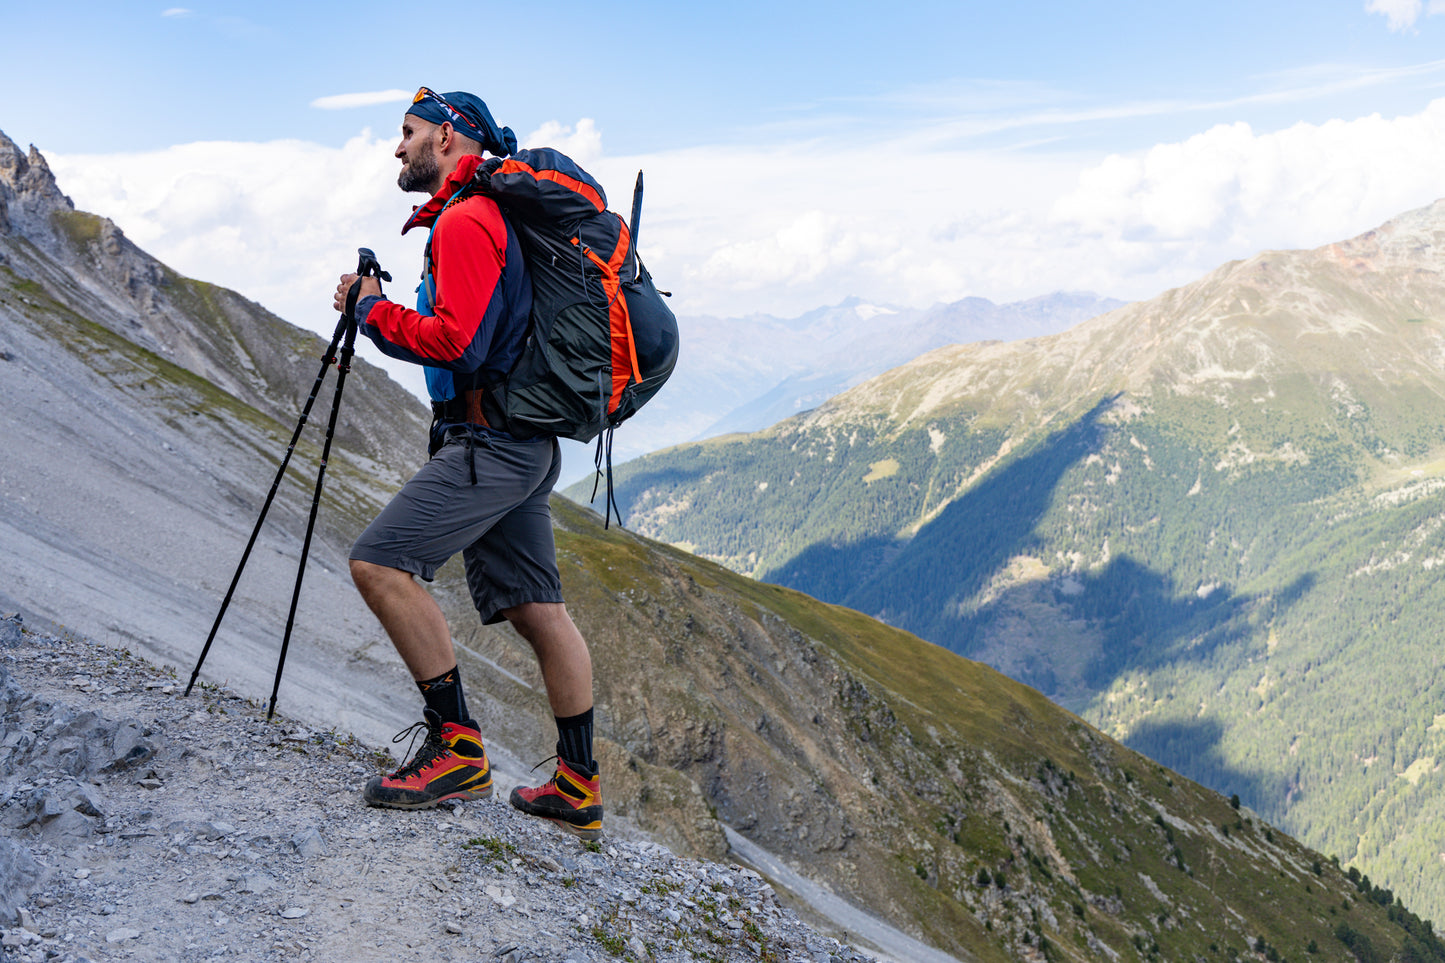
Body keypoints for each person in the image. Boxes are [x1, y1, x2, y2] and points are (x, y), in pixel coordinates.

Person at [331, 87, 601, 840]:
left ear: (449, 139)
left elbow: (459, 343)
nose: (397, 147)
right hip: (521, 441)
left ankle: (457, 749)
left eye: (408, 132)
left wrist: (368, 309)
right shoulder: (486, 216)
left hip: (491, 443)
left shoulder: (466, 220)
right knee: (535, 608)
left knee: (379, 564)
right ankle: (577, 782)